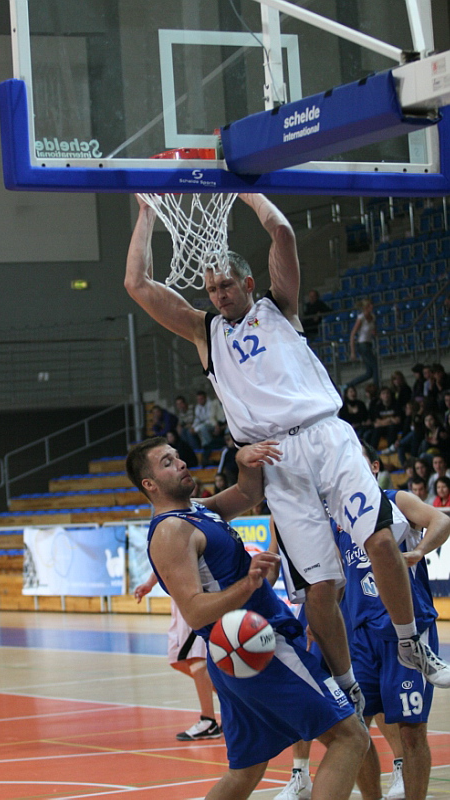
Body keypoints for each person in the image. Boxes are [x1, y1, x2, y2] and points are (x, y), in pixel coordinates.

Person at [125, 191, 450, 707]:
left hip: (326, 434)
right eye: (211, 288)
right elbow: (137, 285)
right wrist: (146, 214)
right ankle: (347, 688)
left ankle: (412, 644)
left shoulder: (279, 308)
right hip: (274, 459)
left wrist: (247, 190)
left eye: (226, 285)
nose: (218, 295)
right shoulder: (205, 332)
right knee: (321, 587)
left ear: (247, 284)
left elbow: (283, 233)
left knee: (381, 541)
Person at [125, 435, 369, 800]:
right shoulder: (171, 531)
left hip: (237, 654)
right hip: (256, 646)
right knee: (350, 737)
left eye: (177, 457)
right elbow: (193, 610)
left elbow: (247, 492)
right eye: (167, 463)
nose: (181, 464)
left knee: (246, 770)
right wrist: (249, 583)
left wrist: (244, 460)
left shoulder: (197, 510)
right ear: (150, 484)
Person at [279, 441, 450, 800]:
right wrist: (318, 618)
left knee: (411, 732)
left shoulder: (396, 500)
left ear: (373, 467)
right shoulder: (337, 519)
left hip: (405, 632)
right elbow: (335, 580)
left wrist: (420, 550)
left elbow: (442, 520)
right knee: (355, 731)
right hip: (358, 637)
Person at [134, 572, 222, 741]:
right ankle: (235, 703)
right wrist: (150, 583)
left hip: (193, 595)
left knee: (196, 660)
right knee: (177, 660)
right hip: (178, 597)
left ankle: (208, 721)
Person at [348, 299, 379, 388]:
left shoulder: (373, 317)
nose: (371, 307)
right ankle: (376, 387)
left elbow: (373, 330)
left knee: (369, 372)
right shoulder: (361, 318)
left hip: (368, 344)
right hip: (362, 345)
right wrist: (352, 352)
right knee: (375, 366)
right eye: (369, 305)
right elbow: (353, 334)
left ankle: (349, 385)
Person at [365, 386, 403, 452]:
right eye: (383, 393)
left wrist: (384, 422)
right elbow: (377, 424)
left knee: (392, 427)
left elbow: (397, 421)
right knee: (376, 430)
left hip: (394, 428)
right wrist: (390, 419)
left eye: (387, 393)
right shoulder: (378, 406)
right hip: (383, 428)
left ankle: (391, 449)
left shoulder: (396, 405)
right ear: (380, 396)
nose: (386, 395)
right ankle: (372, 450)